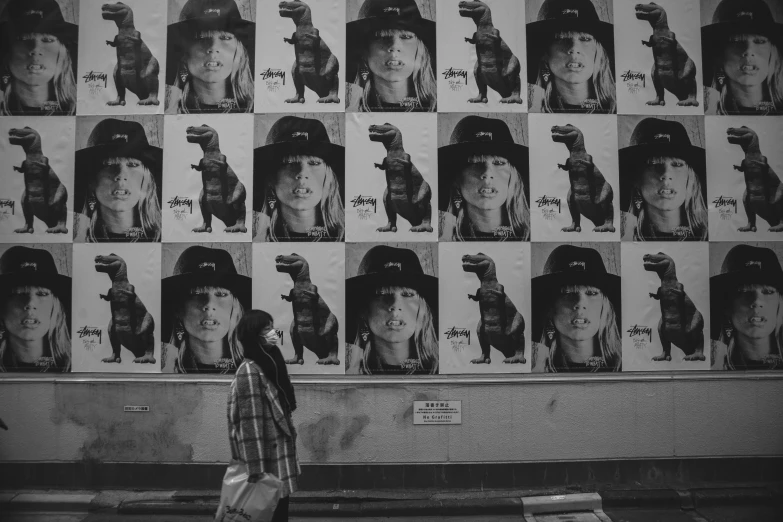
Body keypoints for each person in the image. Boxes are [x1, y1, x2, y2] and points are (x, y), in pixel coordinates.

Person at [229, 309, 301, 522]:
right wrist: (256, 472)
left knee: (280, 509)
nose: (273, 332)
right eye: (267, 329)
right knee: (267, 513)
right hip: (265, 459)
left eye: (272, 327)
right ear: (254, 335)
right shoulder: (250, 371)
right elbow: (250, 426)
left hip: (277, 452)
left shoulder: (271, 361)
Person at [345, 245, 438, 374]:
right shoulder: (349, 379)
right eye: (381, 294)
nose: (395, 305)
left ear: (423, 310)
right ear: (363, 310)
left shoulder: (443, 373)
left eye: (408, 294)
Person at [438, 115, 530, 241]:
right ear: (456, 178)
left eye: (498, 163)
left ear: (513, 177)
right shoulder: (443, 240)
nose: (487, 173)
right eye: (475, 163)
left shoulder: (533, 237)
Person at [531, 245, 621, 372]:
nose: (580, 303)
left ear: (605, 307)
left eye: (591, 293)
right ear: (550, 308)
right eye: (567, 293)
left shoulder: (627, 368)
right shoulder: (534, 372)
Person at [254, 116, 345, 242]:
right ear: (271, 178)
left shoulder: (346, 240)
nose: (302, 173)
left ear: (329, 177)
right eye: (289, 163)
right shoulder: (260, 246)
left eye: (314, 163)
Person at [161, 246, 250, 374]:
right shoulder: (165, 373)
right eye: (197, 293)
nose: (209, 304)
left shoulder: (253, 372)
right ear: (179, 309)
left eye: (221, 294)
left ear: (235, 307)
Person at [73, 118, 162, 242]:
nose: (121, 174)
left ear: (147, 180)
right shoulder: (77, 240)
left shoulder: (162, 238)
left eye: (133, 165)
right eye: (109, 164)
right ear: (92, 181)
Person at [620, 118, 708, 241]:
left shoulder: (709, 237)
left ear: (690, 177)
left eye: (677, 164)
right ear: (636, 178)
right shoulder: (625, 240)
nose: (666, 174)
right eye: (654, 164)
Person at [526, 0, 616, 113]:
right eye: (562, 39)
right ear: (545, 52)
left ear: (598, 51)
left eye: (585, 39)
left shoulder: (617, 108)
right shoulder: (532, 109)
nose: (574, 48)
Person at [345, 0, 436, 112]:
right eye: (381, 37)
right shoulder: (351, 112)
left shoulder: (437, 107)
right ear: (364, 51)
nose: (394, 46)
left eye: (406, 37)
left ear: (420, 48)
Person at [165, 0, 255, 113]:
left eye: (225, 38)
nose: (213, 47)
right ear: (184, 52)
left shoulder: (255, 108)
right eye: (201, 38)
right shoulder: (168, 111)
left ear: (239, 51)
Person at [702, 0, 783, 115]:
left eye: (759, 41)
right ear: (719, 55)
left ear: (772, 52)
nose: (748, 51)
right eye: (736, 41)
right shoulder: (707, 111)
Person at [711, 245, 783, 370]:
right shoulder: (711, 367)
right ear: (727, 306)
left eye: (768, 292)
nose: (757, 301)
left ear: (779, 303)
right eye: (743, 292)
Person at [0, 0, 78, 115]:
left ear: (62, 54)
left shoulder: (79, 108)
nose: (35, 49)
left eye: (48, 40)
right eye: (23, 39)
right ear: (8, 51)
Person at [0, 246, 71, 372]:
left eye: (42, 294)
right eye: (19, 294)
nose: (30, 303)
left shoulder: (75, 364)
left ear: (55, 307)